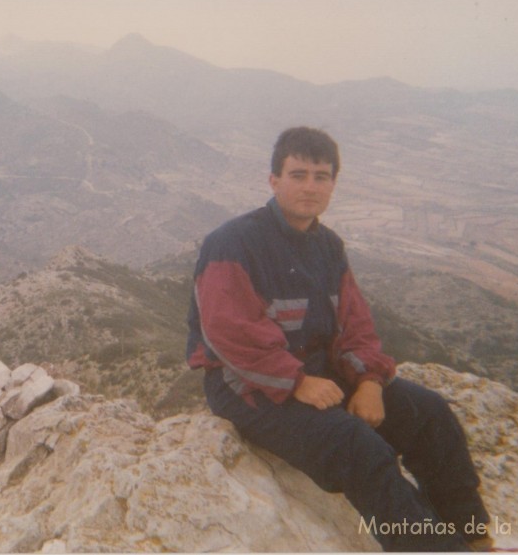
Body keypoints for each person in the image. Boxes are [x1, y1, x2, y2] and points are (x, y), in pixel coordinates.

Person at [186, 126, 493, 552]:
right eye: (298, 175)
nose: (310, 187)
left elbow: (356, 324)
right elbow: (229, 334)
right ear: (273, 180)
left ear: (333, 183)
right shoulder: (233, 243)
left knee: (431, 414)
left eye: (321, 175)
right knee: (356, 446)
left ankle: (474, 536)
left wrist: (368, 381)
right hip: (246, 384)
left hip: (317, 372)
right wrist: (298, 382)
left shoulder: (328, 247)